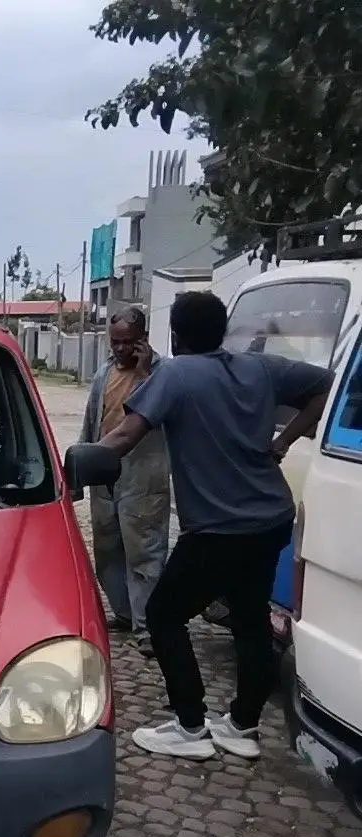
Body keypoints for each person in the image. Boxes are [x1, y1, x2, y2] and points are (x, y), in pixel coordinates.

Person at [92, 290, 333, 760]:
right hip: (271, 519)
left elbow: (124, 435)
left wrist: (72, 469)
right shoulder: (260, 368)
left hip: (218, 530)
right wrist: (283, 441)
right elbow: (326, 386)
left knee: (163, 615)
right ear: (222, 331)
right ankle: (241, 726)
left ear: (176, 336)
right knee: (249, 620)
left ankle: (189, 727)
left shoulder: (176, 374)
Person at [79, 307, 170, 656]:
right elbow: (92, 419)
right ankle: (123, 612)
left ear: (143, 341)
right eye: (114, 342)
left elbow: (154, 416)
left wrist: (144, 374)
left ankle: (147, 626)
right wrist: (82, 466)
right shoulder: (104, 372)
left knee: (144, 554)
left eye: (127, 343)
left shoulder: (161, 375)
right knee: (108, 550)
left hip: (144, 477)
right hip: (106, 474)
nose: (119, 350)